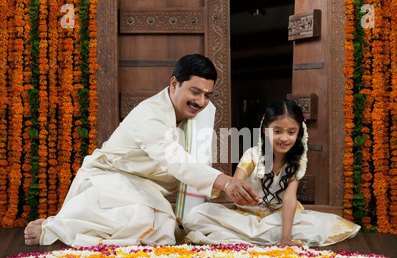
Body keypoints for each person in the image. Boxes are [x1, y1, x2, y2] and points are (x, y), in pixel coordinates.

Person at [24, 54, 260, 247]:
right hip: (109, 181)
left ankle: (127, 241)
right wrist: (226, 182)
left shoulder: (200, 116)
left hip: (143, 189)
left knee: (167, 229)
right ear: (174, 84)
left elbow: (196, 162)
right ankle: (56, 227)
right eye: (195, 92)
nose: (201, 102)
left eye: (207, 95)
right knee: (145, 219)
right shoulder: (149, 114)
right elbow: (174, 159)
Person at [183, 99, 361, 247]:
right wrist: (239, 195)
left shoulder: (297, 161)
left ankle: (252, 238)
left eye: (291, 132)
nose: (284, 138)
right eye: (277, 131)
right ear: (264, 129)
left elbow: (289, 198)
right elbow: (237, 182)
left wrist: (286, 238)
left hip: (277, 218)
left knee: (311, 225)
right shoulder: (252, 155)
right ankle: (259, 237)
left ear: (299, 133)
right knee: (196, 215)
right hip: (245, 217)